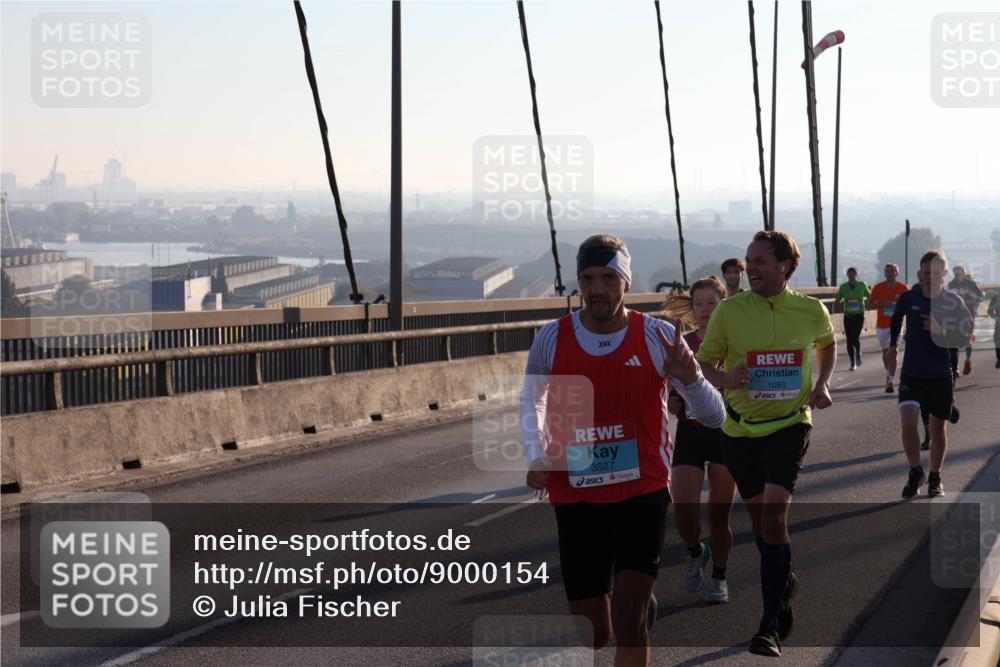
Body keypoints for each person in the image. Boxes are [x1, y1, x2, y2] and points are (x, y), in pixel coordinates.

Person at [521, 235, 725, 666]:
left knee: (630, 625)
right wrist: (536, 453)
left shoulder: (657, 337)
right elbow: (532, 401)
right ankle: (634, 606)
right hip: (575, 493)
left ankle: (636, 608)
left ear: (625, 283)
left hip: (641, 490)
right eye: (589, 278)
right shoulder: (551, 339)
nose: (598, 288)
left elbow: (714, 417)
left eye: (608, 277)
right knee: (595, 633)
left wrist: (690, 381)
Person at [696, 231, 837, 657]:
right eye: (747, 260)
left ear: (784, 266)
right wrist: (724, 379)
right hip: (739, 431)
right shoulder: (729, 311)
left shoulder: (810, 310)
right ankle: (784, 579)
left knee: (774, 516)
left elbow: (827, 345)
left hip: (790, 424)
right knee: (763, 527)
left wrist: (823, 383)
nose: (750, 268)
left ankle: (769, 626)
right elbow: (704, 361)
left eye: (759, 261)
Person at [663, 276, 735, 604]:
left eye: (711, 303)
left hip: (726, 435)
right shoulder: (684, 343)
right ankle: (695, 552)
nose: (705, 310)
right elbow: (668, 388)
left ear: (724, 305)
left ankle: (720, 576)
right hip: (690, 432)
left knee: (719, 516)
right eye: (699, 303)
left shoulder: (737, 342)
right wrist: (673, 402)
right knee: (684, 512)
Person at [889, 250, 974, 499]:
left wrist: (942, 329)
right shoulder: (909, 297)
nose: (931, 277)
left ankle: (935, 476)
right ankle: (916, 471)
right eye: (927, 273)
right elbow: (896, 320)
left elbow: (965, 335)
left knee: (937, 431)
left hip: (940, 373)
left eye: (936, 273)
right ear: (920, 273)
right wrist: (893, 346)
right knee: (907, 422)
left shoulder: (953, 302)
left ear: (944, 274)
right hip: (912, 372)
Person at [869, 263, 909, 392]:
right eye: (887, 271)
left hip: (896, 326)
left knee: (893, 352)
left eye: (892, 271)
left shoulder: (903, 288)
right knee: (886, 353)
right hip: (882, 325)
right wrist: (882, 303)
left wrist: (897, 305)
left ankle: (890, 381)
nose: (890, 273)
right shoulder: (878, 288)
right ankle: (889, 373)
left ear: (897, 273)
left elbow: (908, 305)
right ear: (884, 273)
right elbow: (870, 303)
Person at [947, 266, 984, 375]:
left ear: (964, 273)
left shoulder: (971, 284)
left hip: (968, 315)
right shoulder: (951, 284)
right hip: (954, 315)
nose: (958, 275)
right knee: (954, 341)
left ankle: (967, 361)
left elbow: (980, 297)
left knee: (967, 340)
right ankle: (956, 366)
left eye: (960, 273)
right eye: (956, 273)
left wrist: (969, 294)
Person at [835, 267, 871, 371]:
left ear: (856, 274)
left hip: (859, 315)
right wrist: (840, 300)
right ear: (847, 275)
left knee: (855, 337)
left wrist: (868, 302)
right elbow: (838, 298)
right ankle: (852, 362)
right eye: (849, 273)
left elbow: (869, 294)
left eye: (853, 273)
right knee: (849, 341)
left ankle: (858, 353)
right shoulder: (843, 287)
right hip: (848, 316)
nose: (851, 275)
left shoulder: (861, 285)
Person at [988, 291, 1000, 369]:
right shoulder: (996, 297)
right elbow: (990, 311)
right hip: (999, 322)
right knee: (997, 340)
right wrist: (996, 318)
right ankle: (999, 358)